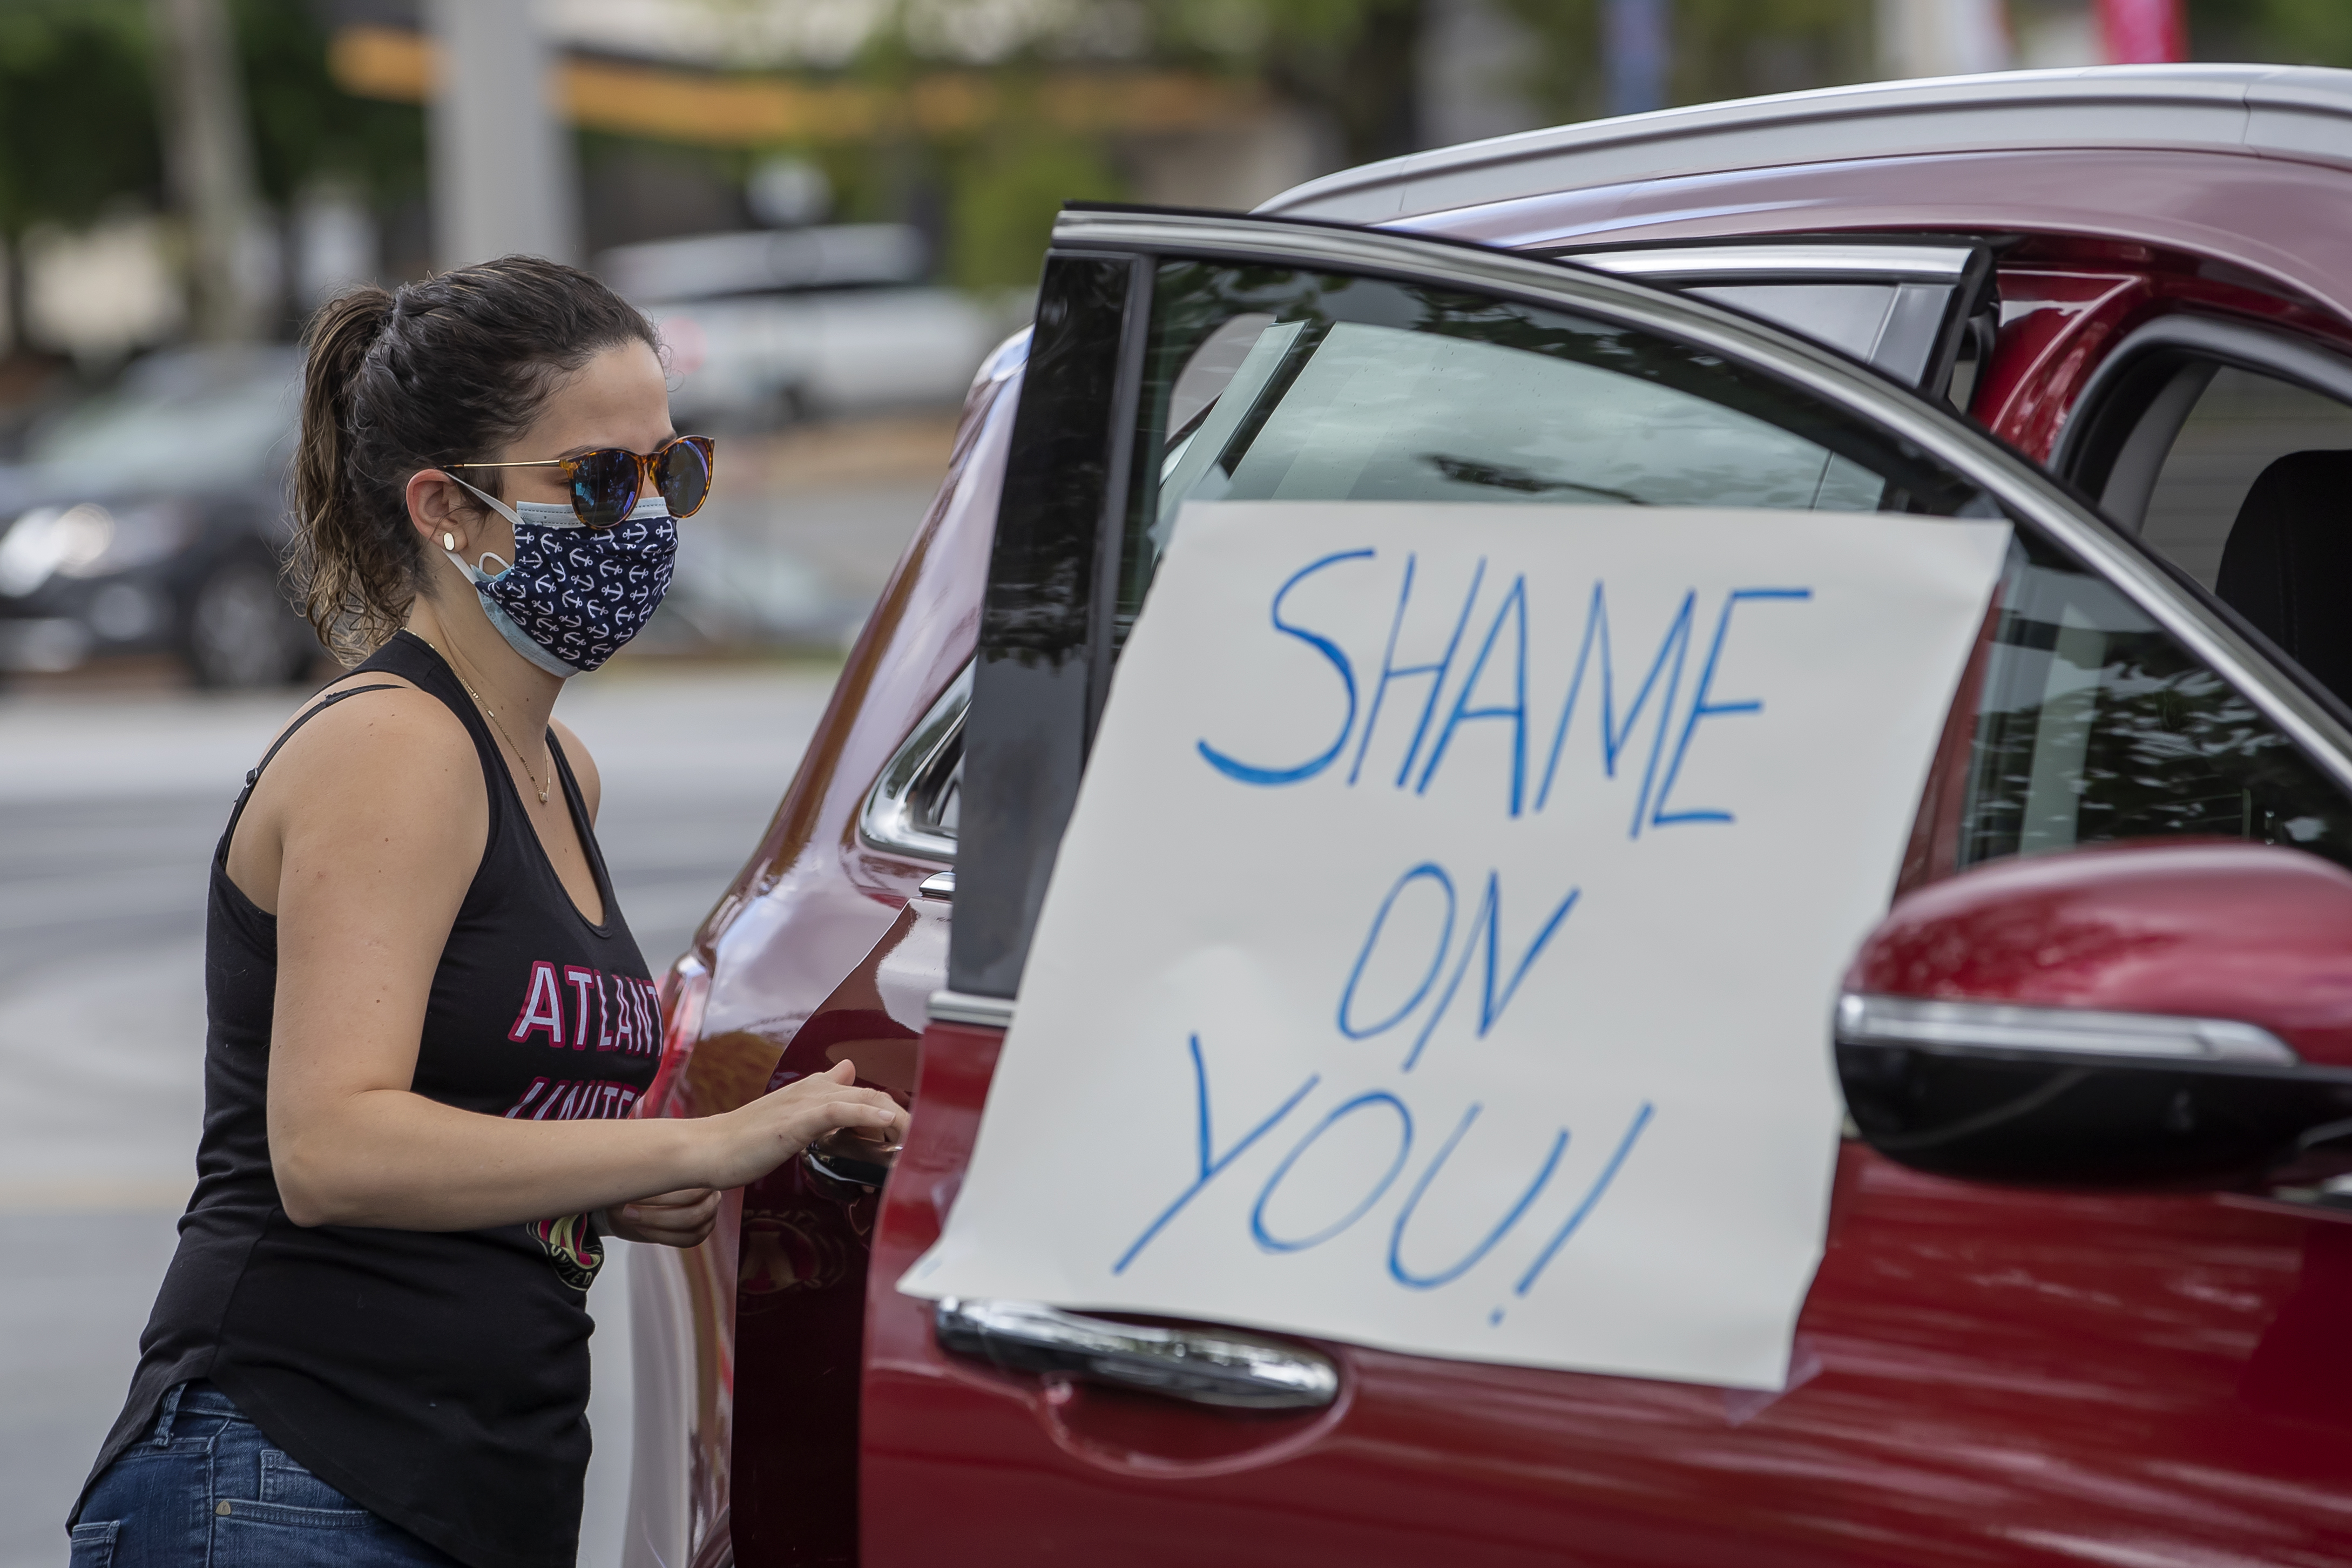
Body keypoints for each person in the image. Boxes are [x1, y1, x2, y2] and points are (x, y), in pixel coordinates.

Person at [66, 256, 905, 1568]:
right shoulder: (393, 748)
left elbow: (479, 1108)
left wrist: (611, 1188)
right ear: (448, 509)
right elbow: (332, 1150)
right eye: (601, 480)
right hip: (293, 1477)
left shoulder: (560, 770)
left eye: (673, 471)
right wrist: (696, 1145)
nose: (648, 517)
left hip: (467, 1490)